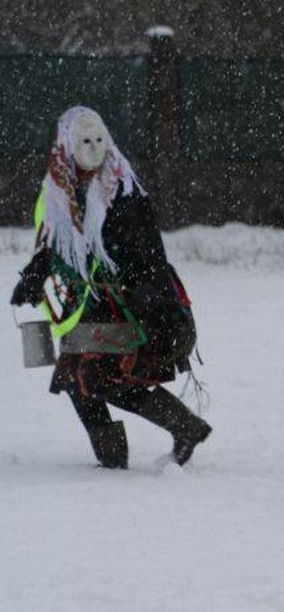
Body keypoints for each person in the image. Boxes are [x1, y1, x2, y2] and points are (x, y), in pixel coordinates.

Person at [9, 106, 209, 468]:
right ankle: (119, 456)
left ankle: (177, 430)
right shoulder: (58, 186)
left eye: (99, 139)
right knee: (78, 376)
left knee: (97, 376)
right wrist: (35, 275)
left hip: (124, 299)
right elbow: (55, 240)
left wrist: (153, 293)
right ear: (66, 144)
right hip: (86, 299)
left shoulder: (121, 186)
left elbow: (148, 247)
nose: (93, 148)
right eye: (84, 140)